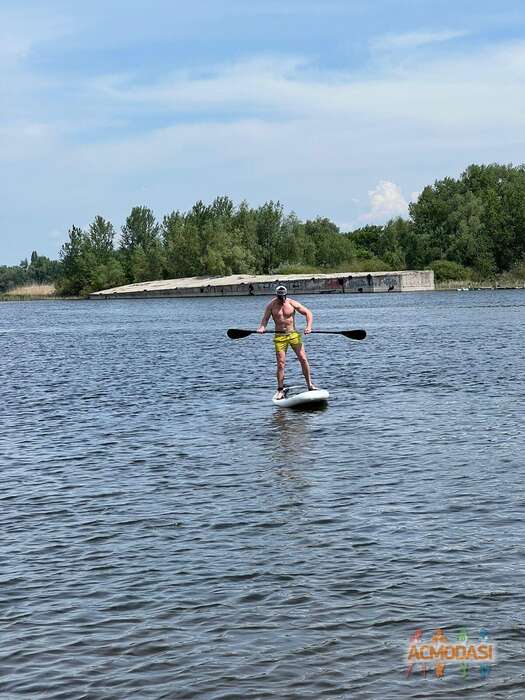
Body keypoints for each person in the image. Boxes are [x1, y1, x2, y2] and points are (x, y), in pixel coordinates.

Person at [257, 285, 317, 399]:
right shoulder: (271, 305)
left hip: (293, 334)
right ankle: (280, 389)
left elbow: (308, 313)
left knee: (303, 359)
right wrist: (262, 327)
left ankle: (310, 384)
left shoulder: (292, 303)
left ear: (286, 295)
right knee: (281, 363)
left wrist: (309, 327)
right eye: (279, 297)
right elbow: (264, 320)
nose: (281, 299)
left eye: (283, 296)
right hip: (280, 337)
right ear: (276, 295)